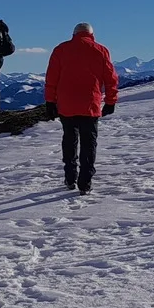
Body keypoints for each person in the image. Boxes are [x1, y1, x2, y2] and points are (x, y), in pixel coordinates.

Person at [44, 22, 119, 194]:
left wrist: (50, 101)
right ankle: (85, 182)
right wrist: (110, 101)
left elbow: (51, 78)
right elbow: (111, 78)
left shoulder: (61, 50)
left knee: (69, 140)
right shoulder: (100, 50)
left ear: (74, 33)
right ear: (92, 34)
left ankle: (70, 177)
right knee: (88, 143)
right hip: (90, 105)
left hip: (66, 105)